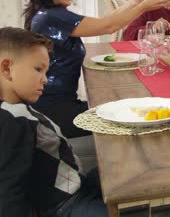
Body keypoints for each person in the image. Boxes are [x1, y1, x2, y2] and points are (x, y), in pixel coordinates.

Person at [23, 0, 170, 138]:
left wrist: (132, 4)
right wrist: (144, 7)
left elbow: (102, 21)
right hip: (53, 109)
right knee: (127, 117)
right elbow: (109, 27)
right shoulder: (51, 17)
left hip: (59, 101)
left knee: (121, 107)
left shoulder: (48, 14)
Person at [0, 27, 107, 216]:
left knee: (120, 172)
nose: (45, 80)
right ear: (7, 68)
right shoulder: (12, 122)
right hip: (64, 205)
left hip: (75, 184)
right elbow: (8, 190)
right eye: (38, 70)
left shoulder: (14, 108)